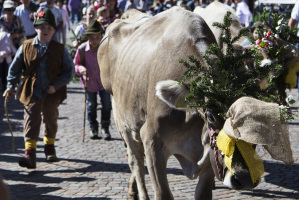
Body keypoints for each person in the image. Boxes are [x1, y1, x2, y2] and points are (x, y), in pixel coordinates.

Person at [3, 8, 74, 169]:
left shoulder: (59, 48)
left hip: (51, 92)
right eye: (42, 27)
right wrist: (10, 86)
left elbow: (70, 72)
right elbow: (14, 69)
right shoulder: (26, 46)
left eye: (49, 28)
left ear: (54, 30)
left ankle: (49, 148)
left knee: (50, 118)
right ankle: (30, 153)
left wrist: (55, 86)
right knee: (31, 119)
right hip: (31, 90)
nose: (45, 30)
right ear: (36, 28)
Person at [74, 19, 112, 140]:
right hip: (89, 82)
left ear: (101, 36)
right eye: (92, 38)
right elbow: (76, 64)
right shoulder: (82, 49)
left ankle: (105, 127)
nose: (95, 41)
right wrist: (81, 69)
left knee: (107, 104)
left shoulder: (106, 49)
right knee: (91, 105)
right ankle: (93, 127)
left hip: (103, 82)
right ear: (88, 37)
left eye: (97, 37)